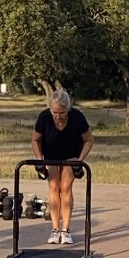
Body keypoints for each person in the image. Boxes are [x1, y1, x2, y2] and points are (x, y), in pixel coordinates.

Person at [31, 88, 92, 246]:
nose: (58, 116)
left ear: (68, 109)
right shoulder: (44, 117)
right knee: (53, 187)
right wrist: (39, 159)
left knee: (65, 188)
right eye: (55, 112)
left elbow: (89, 140)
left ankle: (65, 230)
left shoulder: (77, 117)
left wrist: (80, 160)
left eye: (62, 113)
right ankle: (55, 229)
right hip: (51, 155)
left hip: (70, 156)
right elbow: (35, 139)